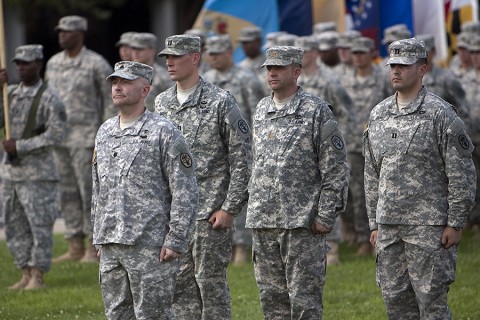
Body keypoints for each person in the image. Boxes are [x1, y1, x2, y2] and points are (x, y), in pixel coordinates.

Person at [364, 38, 476, 319]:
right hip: (389, 227)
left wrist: (456, 222)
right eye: (393, 65)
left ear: (422, 68)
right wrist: (374, 222)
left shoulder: (441, 114)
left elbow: (461, 172)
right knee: (395, 303)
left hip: (428, 226)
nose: (396, 71)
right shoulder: (378, 114)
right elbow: (372, 172)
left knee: (432, 303)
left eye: (404, 65)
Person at [246, 46, 349, 319]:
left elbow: (336, 168)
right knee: (272, 300)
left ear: (296, 72)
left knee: (305, 302)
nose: (272, 73)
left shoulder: (316, 110)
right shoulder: (261, 108)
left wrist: (326, 215)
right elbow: (256, 161)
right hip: (264, 220)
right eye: (269, 68)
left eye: (279, 68)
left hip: (302, 222)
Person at [92, 61, 199, 319]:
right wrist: (98, 236)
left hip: (150, 245)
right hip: (111, 243)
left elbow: (185, 189)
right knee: (117, 314)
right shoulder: (105, 131)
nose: (117, 87)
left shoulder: (164, 131)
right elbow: (98, 188)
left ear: (145, 90)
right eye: (115, 82)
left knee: (153, 315)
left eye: (126, 82)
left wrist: (176, 240)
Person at [155, 34, 251, 319]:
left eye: (175, 57)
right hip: (174, 215)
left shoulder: (220, 101)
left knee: (210, 287)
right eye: (166, 58)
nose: (169, 63)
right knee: (179, 288)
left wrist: (230, 208)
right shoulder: (161, 103)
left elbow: (242, 158)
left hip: (210, 214)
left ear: (195, 58)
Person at [45, 15, 115, 263]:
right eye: (60, 31)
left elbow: (109, 102)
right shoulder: (53, 63)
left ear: (80, 34)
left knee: (89, 194)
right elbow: (47, 99)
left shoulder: (96, 64)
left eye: (67, 32)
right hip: (59, 138)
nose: (62, 35)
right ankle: (74, 243)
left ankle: (91, 246)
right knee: (66, 193)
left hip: (86, 139)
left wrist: (107, 136)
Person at [0, 45, 66, 289]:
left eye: (26, 63)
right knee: (14, 225)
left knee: (39, 226)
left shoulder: (50, 98)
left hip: (38, 175)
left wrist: (21, 146)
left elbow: (57, 135)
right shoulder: (11, 94)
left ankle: (38, 275)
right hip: (11, 174)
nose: (21, 68)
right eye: (18, 63)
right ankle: (25, 271)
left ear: (39, 64)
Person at [340, 36, 391, 255]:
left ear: (371, 54)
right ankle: (360, 235)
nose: (358, 57)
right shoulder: (343, 80)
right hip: (351, 144)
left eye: (362, 53)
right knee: (354, 193)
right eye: (355, 53)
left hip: (379, 144)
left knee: (379, 191)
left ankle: (379, 234)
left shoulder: (384, 79)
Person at [461, 34, 480, 233]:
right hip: (471, 138)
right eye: (473, 52)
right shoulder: (463, 79)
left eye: (478, 52)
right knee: (473, 179)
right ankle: (475, 221)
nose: (475, 56)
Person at [130, 32, 173, 111]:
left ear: (152, 51)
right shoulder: (126, 75)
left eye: (140, 49)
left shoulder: (164, 77)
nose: (136, 52)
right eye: (133, 48)